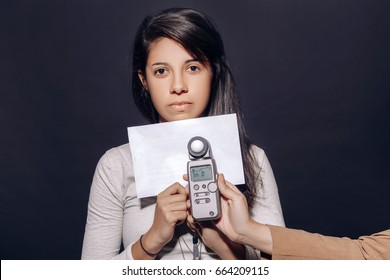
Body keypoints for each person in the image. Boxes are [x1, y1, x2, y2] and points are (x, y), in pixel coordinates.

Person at [81, 7, 285, 260]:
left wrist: (224, 243)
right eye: (161, 71)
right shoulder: (116, 165)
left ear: (213, 72)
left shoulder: (252, 159)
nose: (178, 86)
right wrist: (152, 240)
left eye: (193, 68)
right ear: (144, 80)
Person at [215, 173, 390, 259]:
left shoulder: (253, 157)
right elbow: (367, 255)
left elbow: (368, 256)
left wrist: (233, 245)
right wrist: (247, 231)